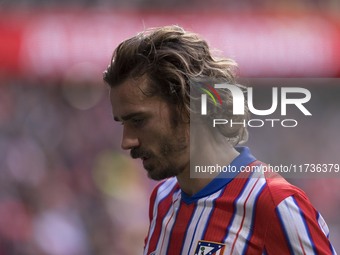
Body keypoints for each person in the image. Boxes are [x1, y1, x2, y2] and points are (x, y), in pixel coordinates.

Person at [103, 25, 336, 254]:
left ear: (189, 105)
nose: (127, 141)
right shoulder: (162, 200)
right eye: (122, 123)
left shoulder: (274, 202)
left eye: (138, 120)